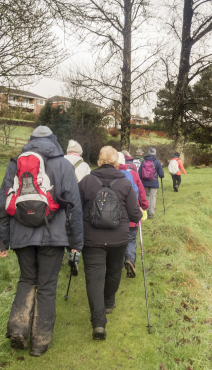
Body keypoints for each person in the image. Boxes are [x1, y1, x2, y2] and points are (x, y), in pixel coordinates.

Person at [0, 126, 83, 357]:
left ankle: (18, 328)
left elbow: (3, 203)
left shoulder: (15, 164)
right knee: (46, 286)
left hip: (21, 234)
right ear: (54, 141)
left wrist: (2, 240)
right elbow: (74, 205)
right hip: (53, 237)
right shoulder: (64, 165)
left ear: (30, 141)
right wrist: (76, 242)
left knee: (26, 279)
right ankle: (40, 343)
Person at [78, 146, 143, 340]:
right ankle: (108, 302)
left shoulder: (87, 181)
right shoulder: (124, 183)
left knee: (94, 278)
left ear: (99, 160)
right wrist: (139, 213)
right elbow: (134, 213)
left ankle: (98, 323)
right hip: (118, 239)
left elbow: (77, 209)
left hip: (92, 239)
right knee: (114, 272)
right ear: (116, 162)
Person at [118, 152, 148, 278]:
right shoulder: (133, 174)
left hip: (117, 217)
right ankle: (130, 259)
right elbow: (141, 193)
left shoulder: (112, 176)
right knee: (131, 239)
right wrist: (145, 206)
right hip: (132, 214)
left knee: (119, 240)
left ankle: (117, 264)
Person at [140, 147, 165, 219]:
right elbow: (162, 175)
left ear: (148, 153)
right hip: (154, 183)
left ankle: (146, 212)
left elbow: (139, 173)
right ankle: (151, 213)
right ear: (155, 153)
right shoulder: (157, 162)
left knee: (146, 197)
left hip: (144, 182)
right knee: (153, 197)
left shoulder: (143, 162)